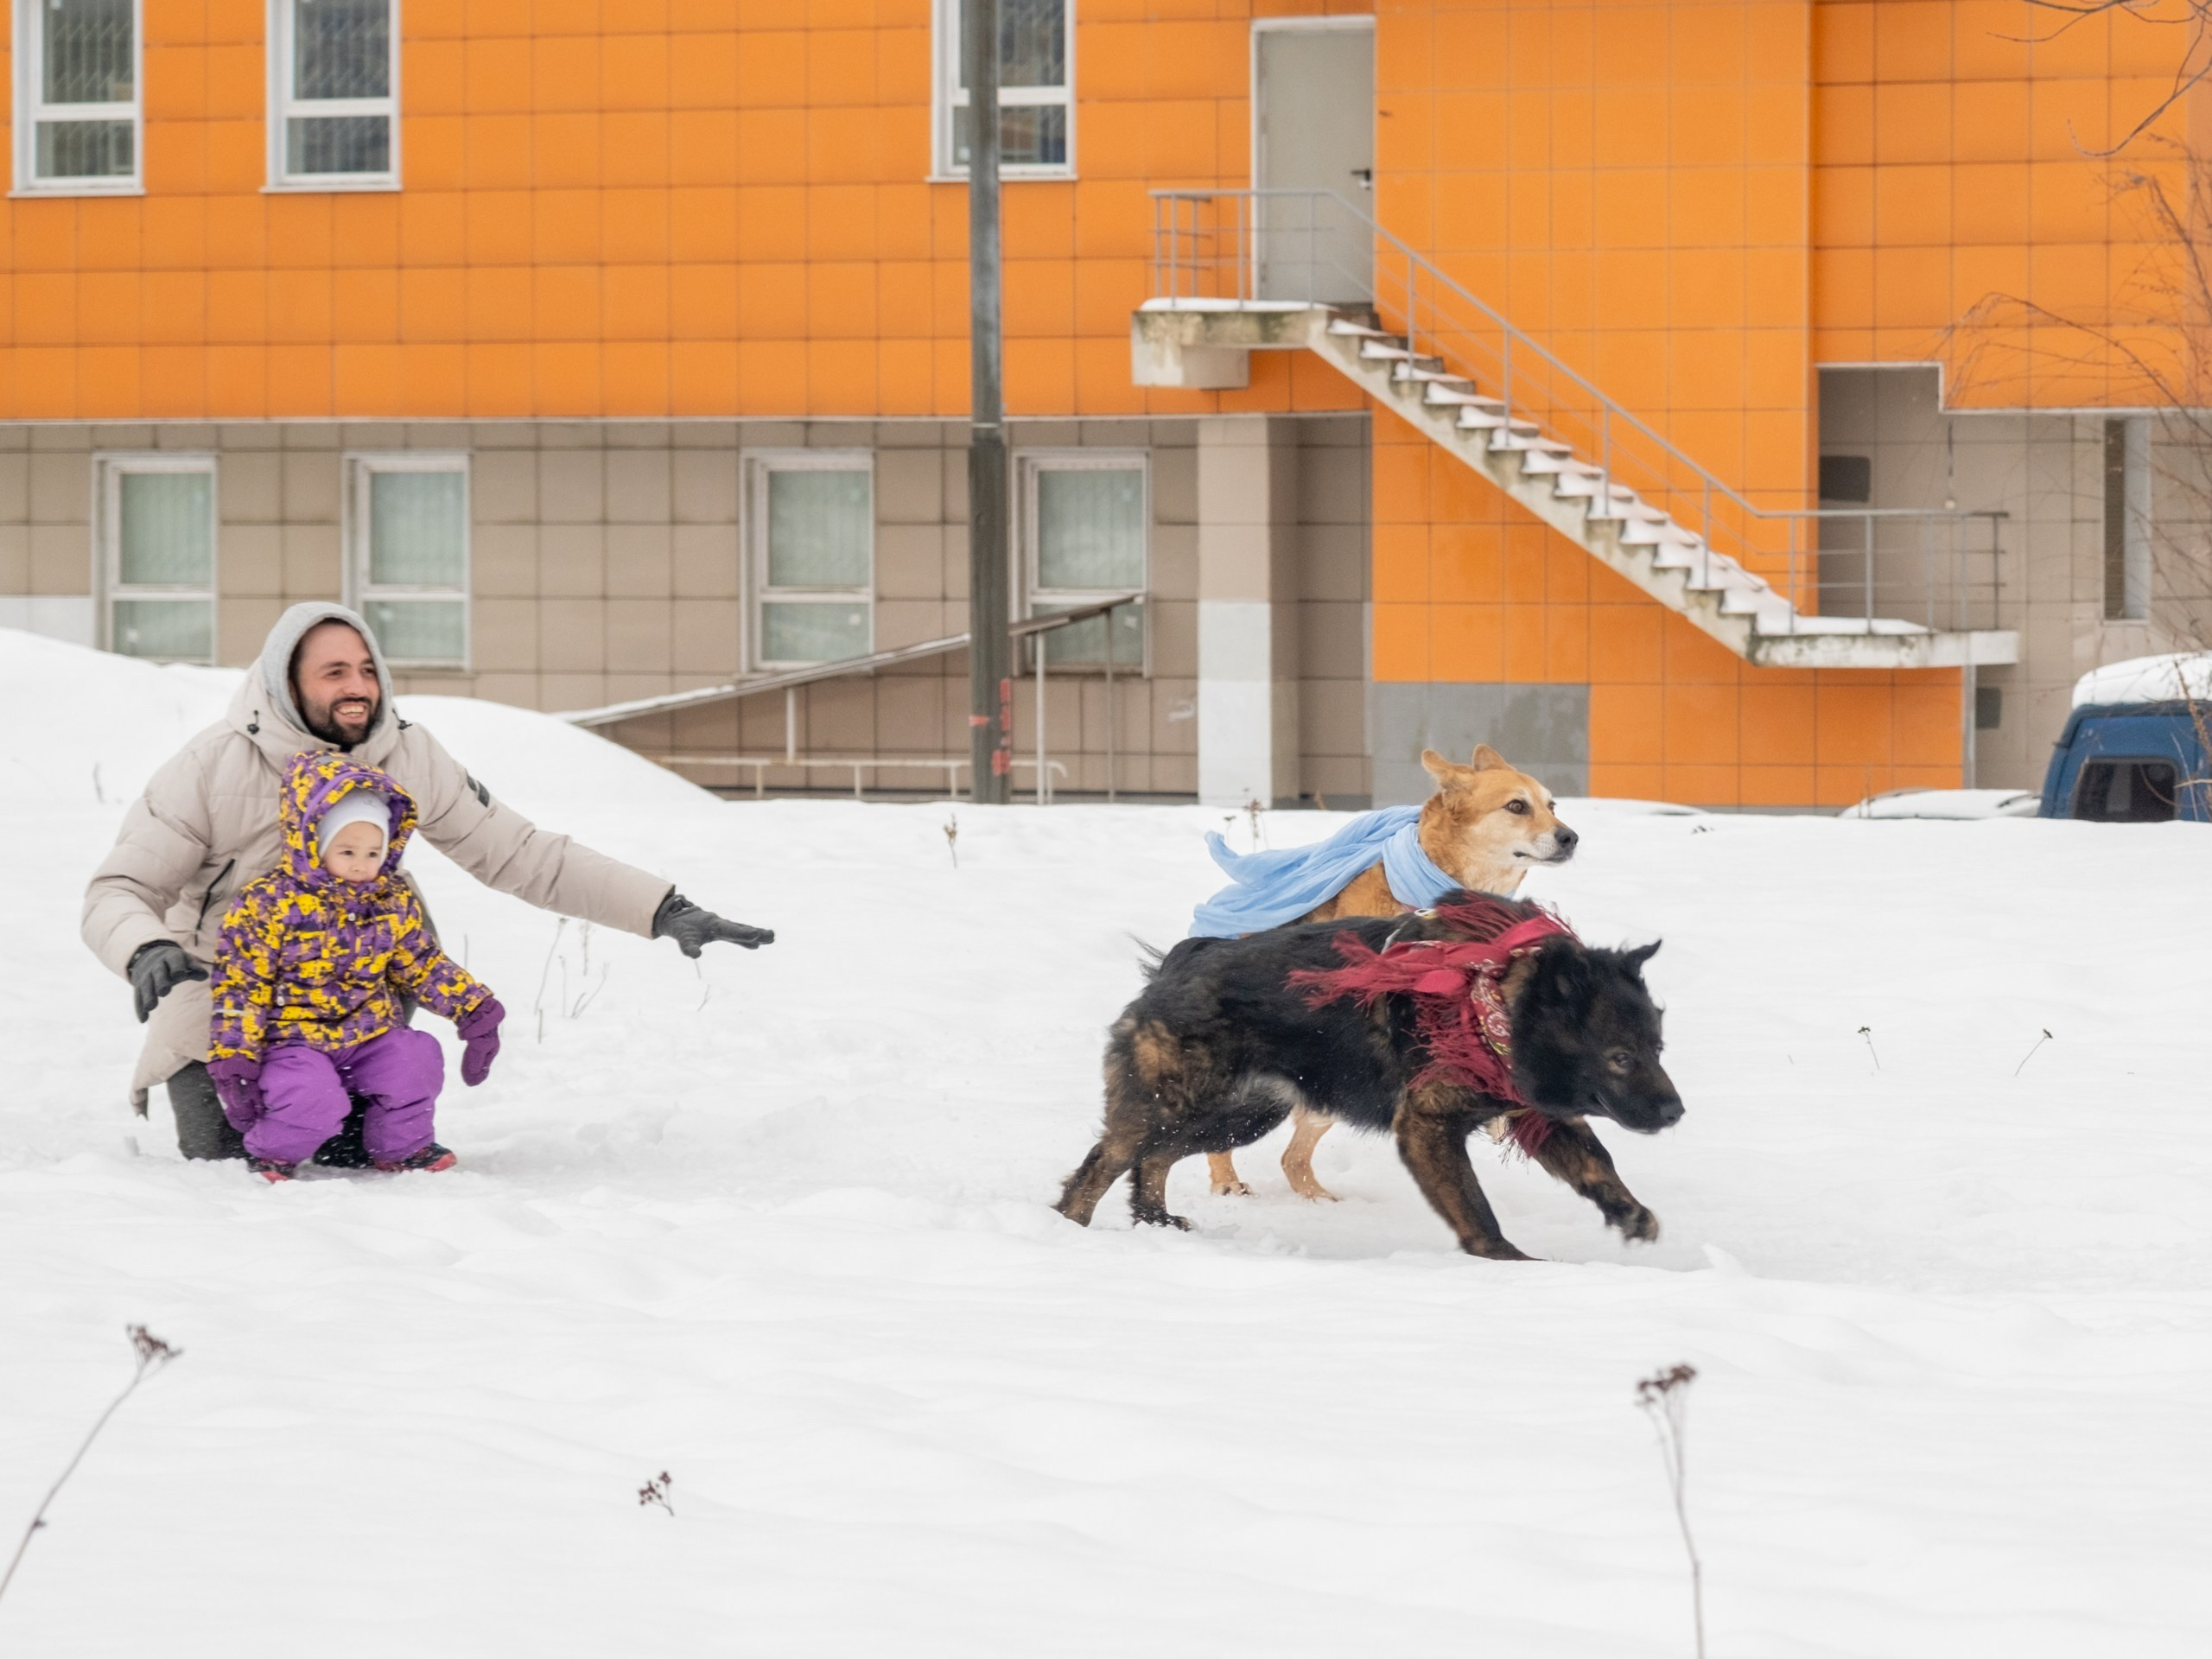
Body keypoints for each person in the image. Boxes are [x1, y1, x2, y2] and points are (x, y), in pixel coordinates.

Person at [83, 601, 773, 1160]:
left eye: (365, 669)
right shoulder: (212, 766)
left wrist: (661, 908)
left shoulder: (405, 752)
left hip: (351, 999)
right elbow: (118, 889)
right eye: (332, 673)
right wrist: (144, 948)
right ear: (283, 682)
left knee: (357, 1143)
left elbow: (521, 852)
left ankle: (367, 1086)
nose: (356, 686)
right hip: (224, 1000)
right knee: (225, 1165)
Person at [208, 752, 502, 1182]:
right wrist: (234, 1055)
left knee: (414, 1060)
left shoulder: (390, 901)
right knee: (315, 1098)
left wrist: (474, 1008)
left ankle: (401, 1147)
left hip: (368, 1033)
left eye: (373, 851)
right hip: (291, 1041)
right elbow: (240, 987)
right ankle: (273, 1154)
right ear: (313, 842)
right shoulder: (266, 904)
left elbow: (420, 963)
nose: (362, 864)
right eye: (346, 851)